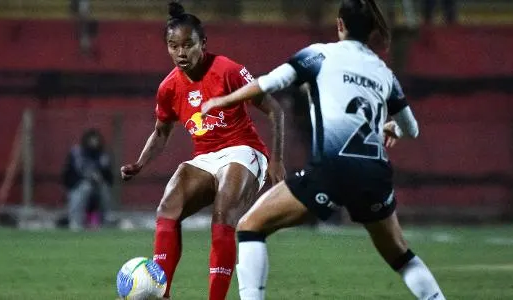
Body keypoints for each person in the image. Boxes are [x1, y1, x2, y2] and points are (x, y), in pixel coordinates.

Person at [201, 0, 446, 299]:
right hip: (374, 174)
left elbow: (267, 83)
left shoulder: (319, 55)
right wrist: (392, 127)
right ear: (371, 32)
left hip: (333, 170)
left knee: (251, 226)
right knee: (400, 256)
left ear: (340, 25)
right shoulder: (385, 74)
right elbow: (412, 129)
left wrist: (223, 101)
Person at [119, 2, 285, 300]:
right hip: (206, 158)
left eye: (187, 45)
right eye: (173, 46)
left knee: (222, 215)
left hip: (244, 150)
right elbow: (161, 132)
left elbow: (275, 109)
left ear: (203, 43)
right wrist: (140, 163)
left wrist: (277, 159)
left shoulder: (228, 71)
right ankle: (162, 293)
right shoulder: (169, 87)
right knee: (168, 207)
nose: (180, 53)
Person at [62, 128, 113, 231]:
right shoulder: (76, 154)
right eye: (91, 140)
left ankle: (106, 220)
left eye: (96, 140)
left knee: (104, 189)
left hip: (97, 189)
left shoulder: (103, 156)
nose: (94, 143)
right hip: (78, 187)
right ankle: (76, 221)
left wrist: (100, 178)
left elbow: (109, 178)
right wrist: (84, 179)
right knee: (85, 188)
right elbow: (67, 175)